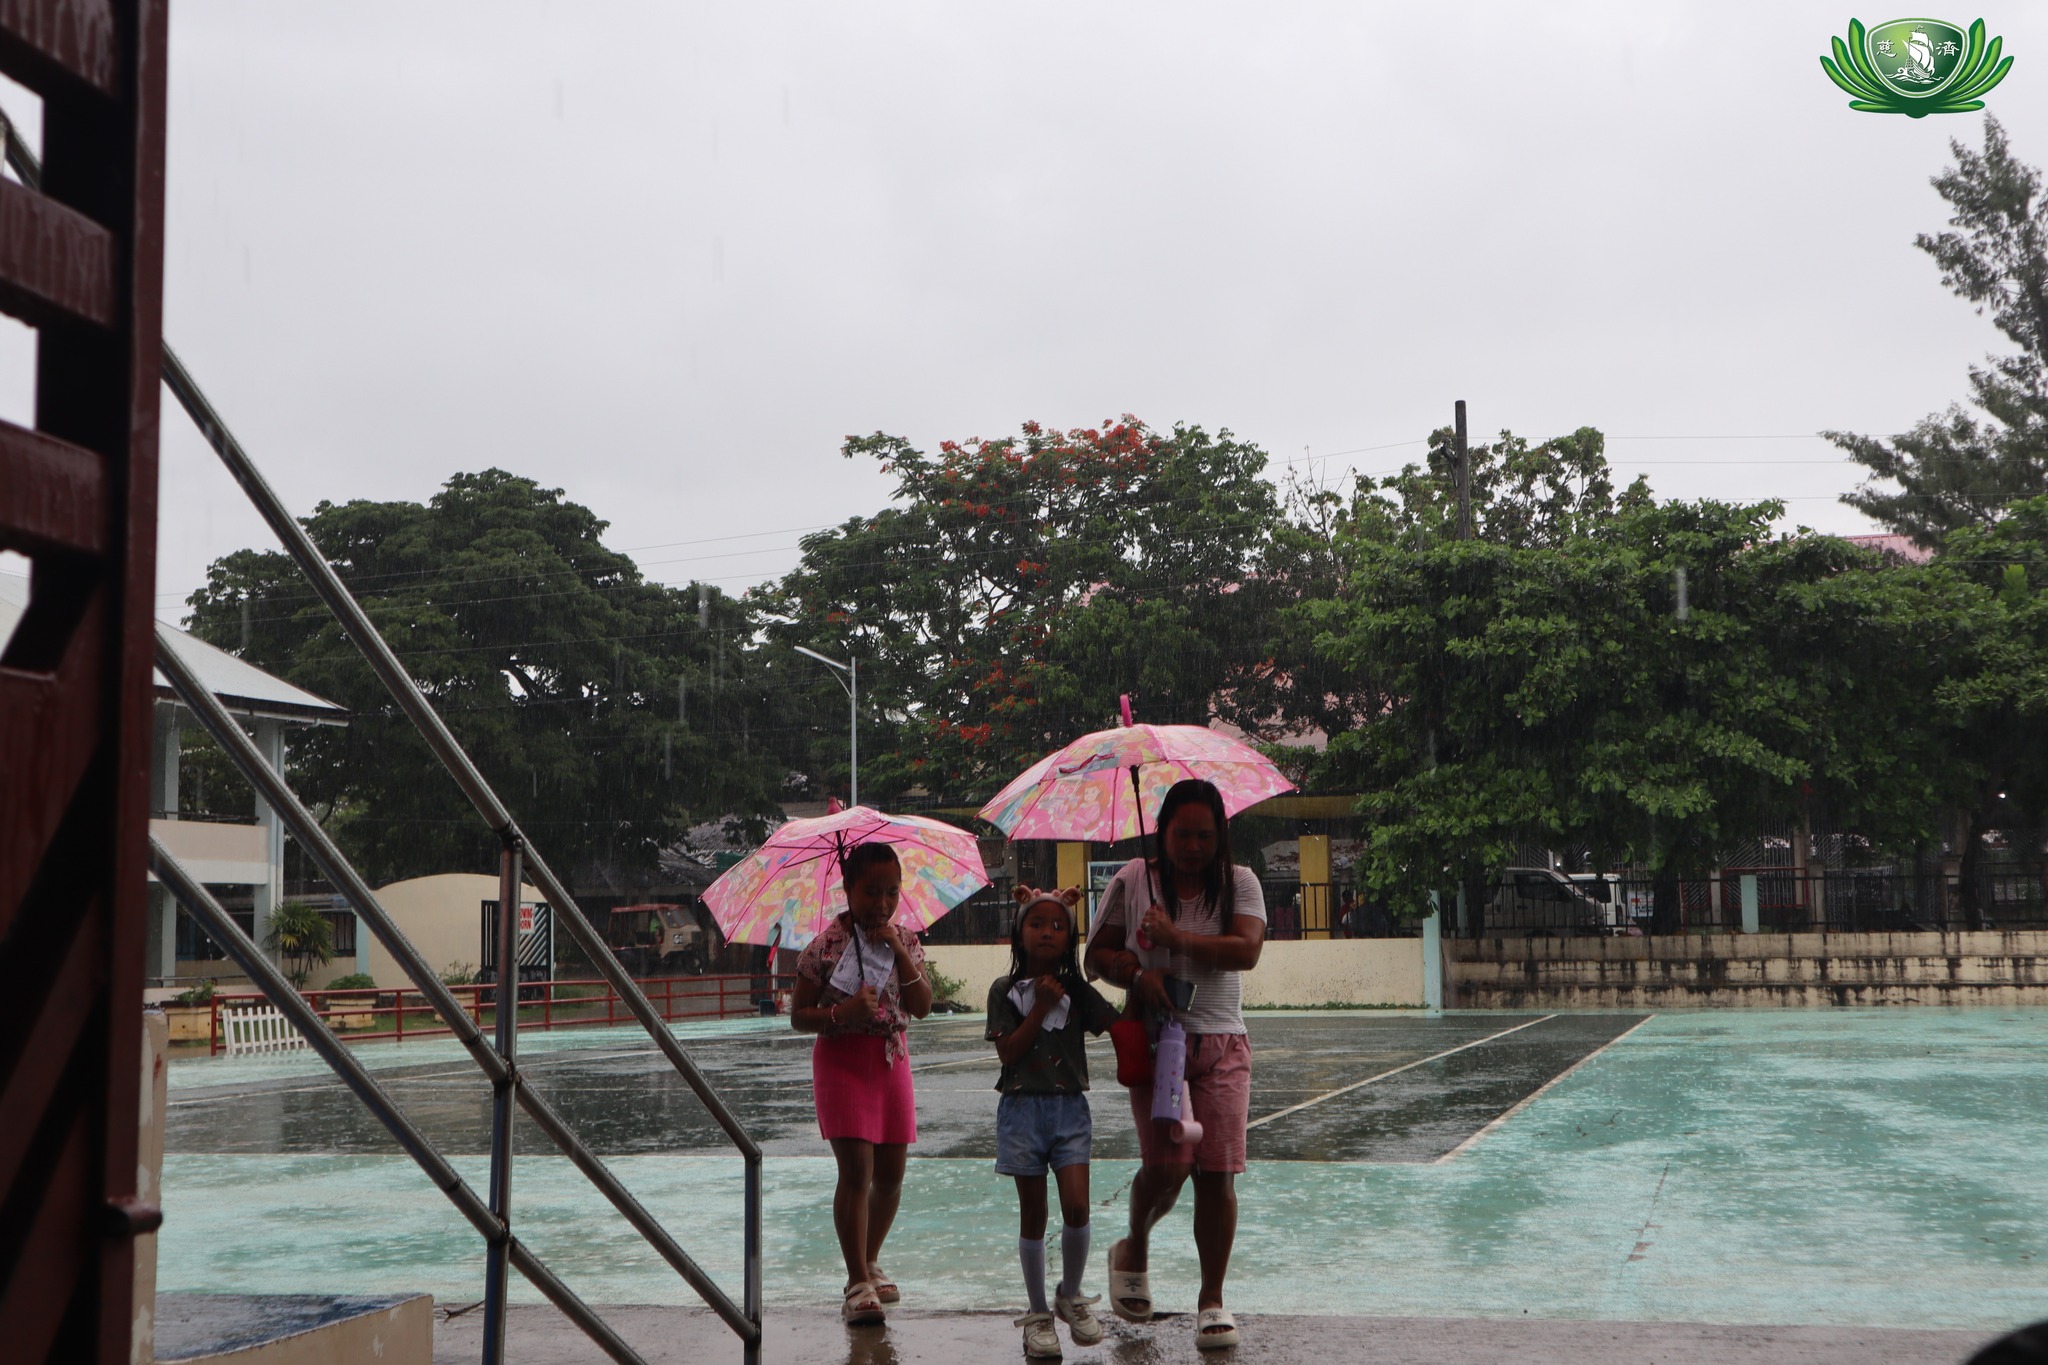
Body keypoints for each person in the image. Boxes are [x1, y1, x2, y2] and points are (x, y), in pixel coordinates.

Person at [1083, 778, 1266, 1351]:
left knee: (1217, 1173)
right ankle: (1134, 1244)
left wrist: (1174, 937)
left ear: (1220, 836)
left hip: (1222, 1044)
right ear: (1161, 831)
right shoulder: (1133, 879)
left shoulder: (1240, 883)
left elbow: (1246, 950)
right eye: (1182, 834)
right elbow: (1096, 958)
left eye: (1204, 836)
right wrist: (1140, 974)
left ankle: (1211, 1300)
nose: (1192, 846)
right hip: (1157, 1043)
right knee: (1168, 1168)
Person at [790, 842, 935, 1325]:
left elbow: (922, 1006)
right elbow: (799, 1016)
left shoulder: (906, 940)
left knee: (891, 1175)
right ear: (848, 888)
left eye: (892, 892)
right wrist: (842, 1012)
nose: (882, 903)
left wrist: (899, 951)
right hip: (842, 1063)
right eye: (871, 892)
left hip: (892, 1061)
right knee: (856, 1171)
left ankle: (870, 1260)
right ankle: (856, 1282)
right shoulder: (824, 947)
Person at [986, 886, 1119, 1360]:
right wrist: (1040, 1006)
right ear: (1019, 932)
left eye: (1059, 926)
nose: (1047, 932)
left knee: (1078, 1205)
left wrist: (1145, 977)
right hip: (1022, 1111)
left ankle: (1070, 1293)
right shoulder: (1004, 991)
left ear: (1070, 938)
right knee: (1034, 1214)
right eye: (1037, 923)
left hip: (1069, 1111)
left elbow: (1114, 1022)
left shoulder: (1077, 991)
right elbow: (1008, 1052)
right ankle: (1039, 1312)